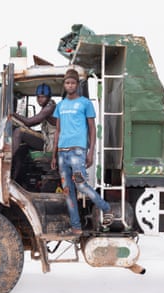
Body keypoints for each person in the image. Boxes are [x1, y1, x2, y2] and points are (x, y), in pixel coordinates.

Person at [51, 69, 113, 236]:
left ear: (77, 85)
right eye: (67, 83)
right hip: (62, 153)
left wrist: (90, 152)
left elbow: (92, 129)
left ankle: (106, 208)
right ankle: (76, 227)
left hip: (78, 151)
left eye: (72, 83)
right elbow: (57, 130)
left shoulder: (85, 103)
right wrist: (53, 155)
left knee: (81, 185)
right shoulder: (61, 105)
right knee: (67, 192)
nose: (69, 85)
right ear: (64, 85)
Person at [12, 83, 57, 156]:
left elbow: (29, 122)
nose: (40, 100)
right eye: (38, 97)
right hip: (48, 139)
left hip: (51, 142)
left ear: (49, 97)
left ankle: (7, 159)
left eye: (43, 97)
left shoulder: (50, 108)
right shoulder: (46, 108)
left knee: (19, 132)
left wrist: (12, 113)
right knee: (22, 148)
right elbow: (34, 123)